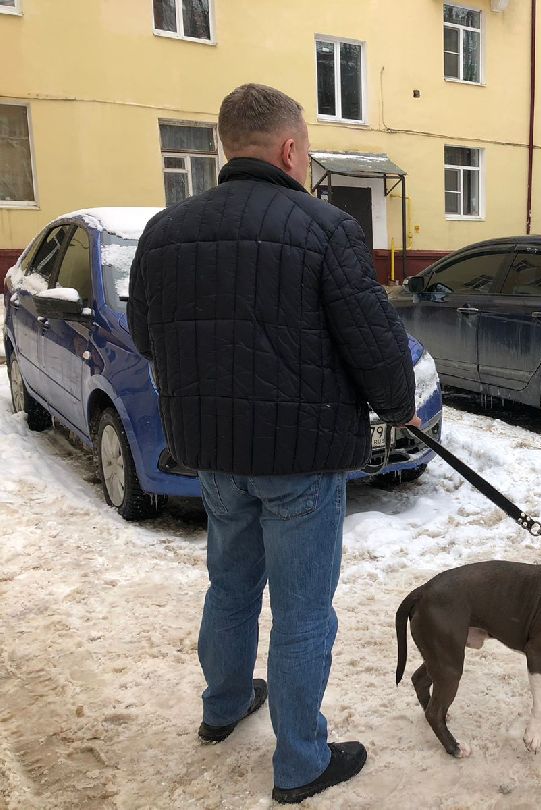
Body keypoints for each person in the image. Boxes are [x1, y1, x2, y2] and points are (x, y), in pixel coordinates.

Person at [127, 84, 418, 804]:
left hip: (214, 455)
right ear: (289, 149)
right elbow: (374, 345)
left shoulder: (166, 231)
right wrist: (398, 407)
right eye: (308, 148)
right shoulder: (325, 230)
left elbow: (144, 335)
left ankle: (224, 707)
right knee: (303, 610)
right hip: (301, 460)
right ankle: (301, 761)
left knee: (230, 585)